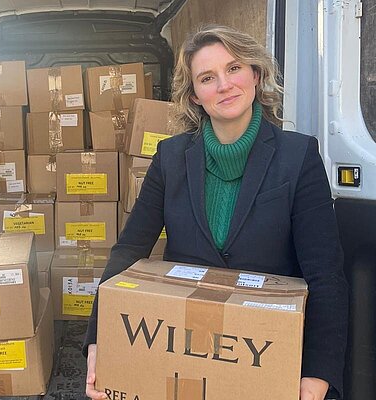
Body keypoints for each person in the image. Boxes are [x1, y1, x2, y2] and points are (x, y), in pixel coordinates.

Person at [83, 25, 348, 400]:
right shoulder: (171, 158)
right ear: (194, 96)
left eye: (234, 68)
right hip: (179, 348)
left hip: (265, 355)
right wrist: (99, 342)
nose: (224, 85)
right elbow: (128, 251)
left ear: (255, 74)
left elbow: (325, 275)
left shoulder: (298, 156)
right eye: (208, 78)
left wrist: (318, 376)